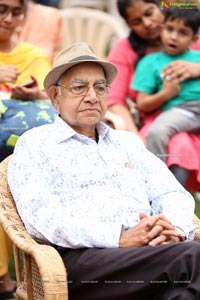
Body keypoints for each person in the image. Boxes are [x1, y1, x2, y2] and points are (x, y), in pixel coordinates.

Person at [7, 42, 200, 300]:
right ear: (54, 97)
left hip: (152, 256)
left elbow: (171, 192)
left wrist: (171, 230)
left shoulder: (127, 142)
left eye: (100, 87)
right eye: (79, 88)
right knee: (192, 256)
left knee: (181, 294)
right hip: (84, 262)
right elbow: (43, 218)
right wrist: (119, 237)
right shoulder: (36, 144)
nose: (92, 96)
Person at [107, 0, 200, 189]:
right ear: (129, 25)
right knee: (178, 145)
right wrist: (134, 136)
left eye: (149, 13)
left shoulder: (190, 35)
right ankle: (164, 196)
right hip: (156, 121)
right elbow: (114, 100)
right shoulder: (131, 52)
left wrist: (197, 68)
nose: (147, 23)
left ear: (161, 6)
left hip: (189, 115)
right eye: (137, 21)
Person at [0, 1, 55, 298]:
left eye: (16, 12)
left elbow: (53, 99)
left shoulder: (32, 56)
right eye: (1, 10)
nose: (9, 18)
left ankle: (32, 275)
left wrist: (35, 94)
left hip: (21, 147)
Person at [132, 7, 200, 162]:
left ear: (194, 40)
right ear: (162, 30)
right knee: (157, 132)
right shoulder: (150, 62)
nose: (174, 37)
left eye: (183, 33)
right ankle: (158, 178)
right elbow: (142, 103)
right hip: (182, 111)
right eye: (169, 29)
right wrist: (166, 93)